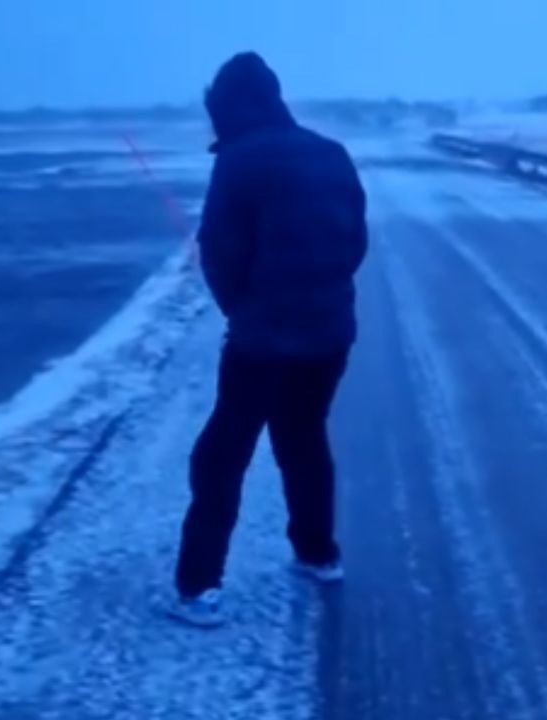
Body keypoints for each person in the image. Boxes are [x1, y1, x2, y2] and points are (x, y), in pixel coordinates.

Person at [169, 52, 368, 627]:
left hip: (262, 341)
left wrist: (245, 309)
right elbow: (356, 242)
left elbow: (218, 251)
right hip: (330, 334)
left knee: (223, 452)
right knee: (303, 437)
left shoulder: (238, 162)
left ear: (228, 109)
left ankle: (199, 586)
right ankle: (318, 554)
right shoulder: (332, 152)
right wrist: (322, 294)